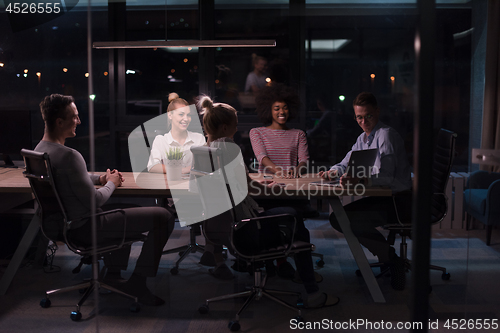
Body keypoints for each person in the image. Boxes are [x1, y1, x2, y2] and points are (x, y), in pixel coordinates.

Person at [198, 95, 339, 308]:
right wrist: (267, 186)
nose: (237, 130)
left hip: (219, 227)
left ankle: (279, 268)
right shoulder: (229, 150)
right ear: (226, 127)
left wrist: (260, 185)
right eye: (235, 125)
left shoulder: (202, 152)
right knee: (293, 217)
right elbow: (249, 188)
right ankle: (313, 293)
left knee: (283, 212)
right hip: (245, 229)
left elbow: (235, 187)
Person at [35, 94, 175, 306]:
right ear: (59, 122)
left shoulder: (40, 151)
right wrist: (111, 183)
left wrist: (100, 178)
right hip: (85, 227)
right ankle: (137, 283)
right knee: (164, 216)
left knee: (125, 208)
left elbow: (69, 178)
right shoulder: (70, 155)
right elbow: (96, 200)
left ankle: (113, 275)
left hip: (63, 225)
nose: (79, 121)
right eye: (74, 117)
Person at [318, 91, 412, 290]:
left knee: (344, 219)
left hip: (398, 201)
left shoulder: (385, 135)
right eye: (359, 117)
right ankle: (390, 257)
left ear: (377, 112)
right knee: (339, 217)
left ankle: (392, 260)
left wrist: (359, 179)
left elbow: (387, 177)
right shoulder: (364, 138)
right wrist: (333, 172)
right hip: (384, 198)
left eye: (368, 116)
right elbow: (345, 163)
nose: (363, 121)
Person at [250, 83, 309, 178]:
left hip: (291, 181)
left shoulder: (298, 134)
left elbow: (304, 160)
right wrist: (280, 171)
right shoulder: (257, 132)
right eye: (277, 109)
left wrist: (297, 170)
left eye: (285, 108)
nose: (282, 112)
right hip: (267, 182)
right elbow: (261, 157)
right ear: (269, 111)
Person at [147, 93, 206, 175]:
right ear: (170, 115)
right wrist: (181, 170)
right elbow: (152, 166)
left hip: (193, 186)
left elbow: (204, 166)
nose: (186, 119)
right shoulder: (161, 140)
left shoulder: (199, 138)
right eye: (181, 114)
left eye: (188, 115)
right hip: (170, 186)